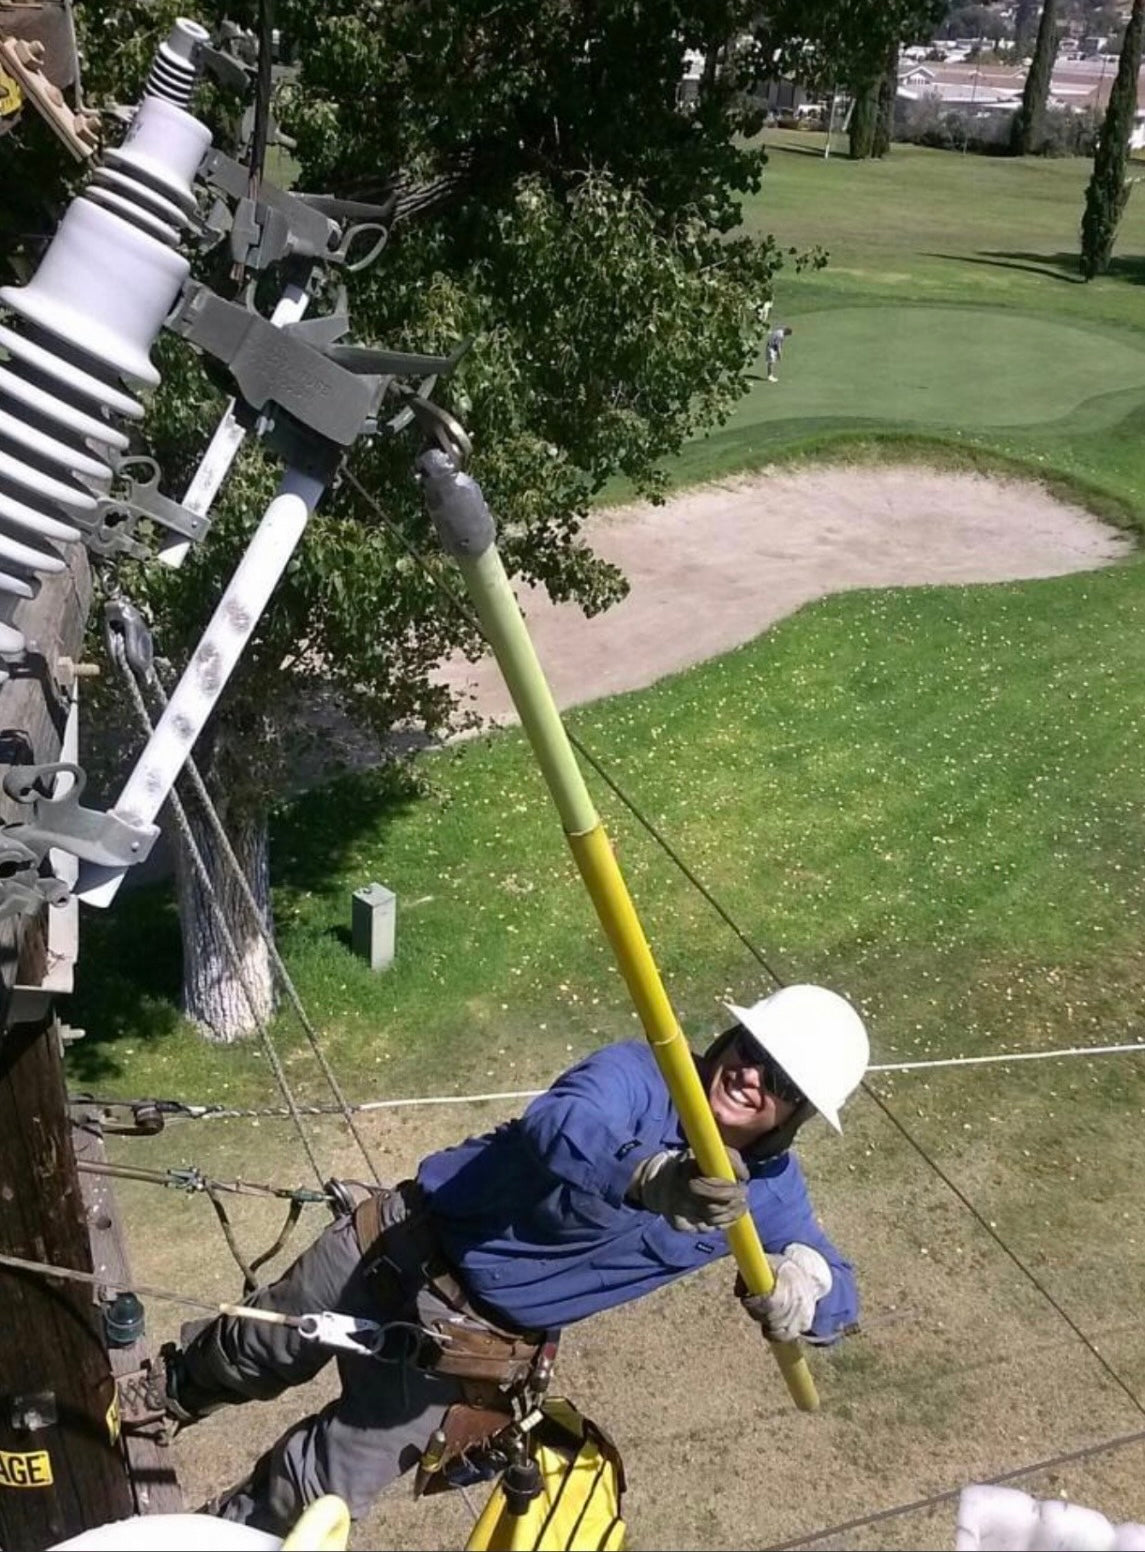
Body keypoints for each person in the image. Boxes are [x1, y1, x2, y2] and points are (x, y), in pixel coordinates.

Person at [142, 983, 868, 1535]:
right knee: (244, 1352)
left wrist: (809, 1281)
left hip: (461, 1354)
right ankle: (148, 1409)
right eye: (751, 1053)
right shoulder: (638, 1073)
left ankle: (197, 1546)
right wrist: (648, 1176)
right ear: (728, 1038)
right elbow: (560, 1125)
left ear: (797, 1116)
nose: (751, 1077)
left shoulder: (770, 1195)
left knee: (310, 1496)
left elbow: (840, 1298)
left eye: (778, 1082)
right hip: (389, 1250)